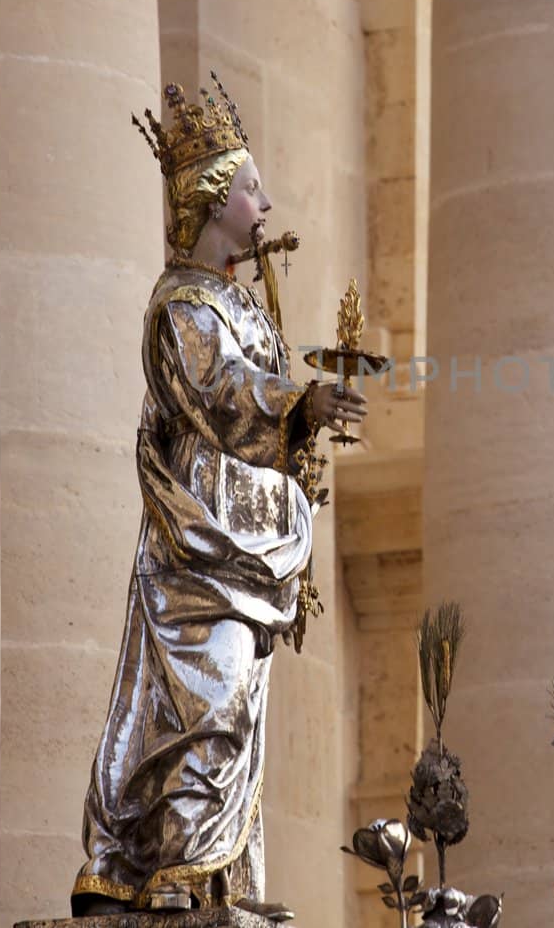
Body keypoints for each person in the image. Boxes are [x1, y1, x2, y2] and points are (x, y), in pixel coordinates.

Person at [72, 78, 366, 917]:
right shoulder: (183, 307)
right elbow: (222, 391)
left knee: (236, 716)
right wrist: (298, 405)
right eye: (249, 187)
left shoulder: (240, 301)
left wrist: (306, 434)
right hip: (200, 547)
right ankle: (176, 874)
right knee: (211, 699)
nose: (265, 202)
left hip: (248, 546)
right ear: (210, 199)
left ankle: (216, 880)